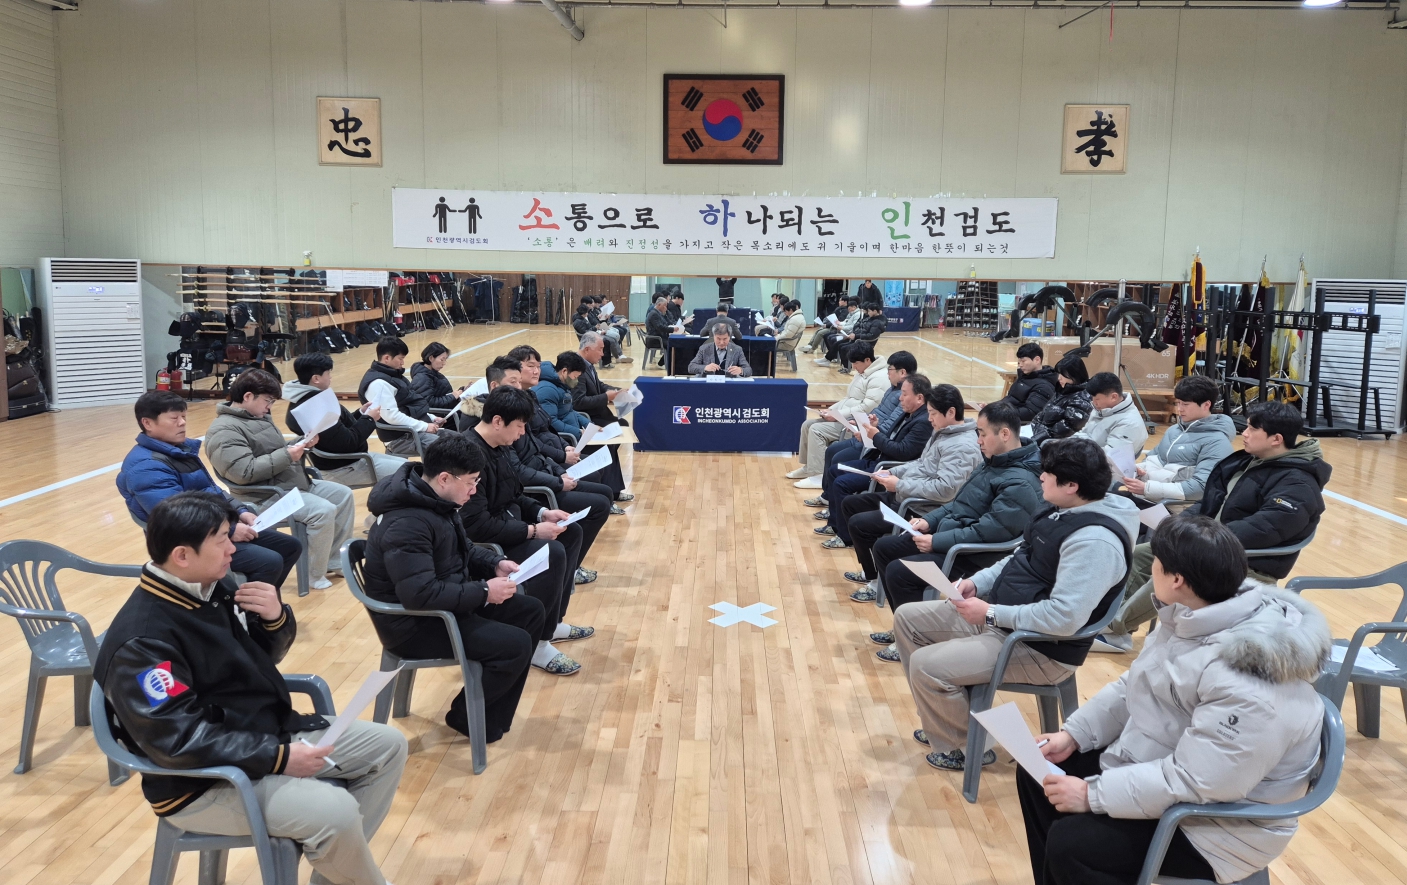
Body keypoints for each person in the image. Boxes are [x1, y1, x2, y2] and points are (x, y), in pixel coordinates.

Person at [93, 491, 407, 885]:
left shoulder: (208, 587)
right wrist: (277, 758)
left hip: (258, 734)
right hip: (201, 781)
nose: (233, 547)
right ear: (182, 555)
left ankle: (338, 876)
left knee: (388, 746)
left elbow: (256, 660)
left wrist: (275, 619)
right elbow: (177, 740)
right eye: (221, 539)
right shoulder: (142, 641)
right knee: (336, 813)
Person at [1021, 514, 1328, 885]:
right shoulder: (1192, 615)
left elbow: (1201, 781)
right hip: (1175, 767)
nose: (1149, 568)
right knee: (1037, 772)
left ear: (1177, 580)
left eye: (1155, 562)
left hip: (1221, 825)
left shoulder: (1249, 680)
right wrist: (1074, 735)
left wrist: (1093, 795)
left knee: (1074, 845)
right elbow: (1136, 685)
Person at [896, 437, 1137, 770]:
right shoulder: (1061, 508)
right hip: (1006, 620)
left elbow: (1064, 618)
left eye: (1048, 473)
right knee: (908, 619)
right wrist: (977, 583)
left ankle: (968, 746)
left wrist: (990, 614)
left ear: (1071, 486)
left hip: (1041, 647)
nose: (1040, 476)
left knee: (927, 666)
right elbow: (1019, 557)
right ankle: (948, 721)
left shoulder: (1095, 542)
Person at [1100, 400, 1330, 652]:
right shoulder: (1249, 462)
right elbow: (1210, 502)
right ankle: (1114, 624)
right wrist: (1179, 525)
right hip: (1210, 543)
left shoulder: (1298, 483)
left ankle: (1115, 628)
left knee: (1173, 567)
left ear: (1276, 439)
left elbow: (1267, 528)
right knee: (1140, 554)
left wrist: (1202, 538)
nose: (1245, 433)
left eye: (1253, 429)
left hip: (1246, 560)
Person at [362, 435, 546, 744]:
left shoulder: (434, 500)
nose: (474, 491)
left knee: (530, 611)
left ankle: (487, 713)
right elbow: (420, 594)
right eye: (471, 482)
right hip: (415, 625)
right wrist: (484, 592)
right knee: (514, 645)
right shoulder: (407, 523)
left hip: (445, 604)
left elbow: (464, 548)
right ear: (445, 478)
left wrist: (495, 564)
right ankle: (465, 715)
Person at [858, 403, 1043, 618]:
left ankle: (915, 631)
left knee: (900, 573)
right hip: (953, 537)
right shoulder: (994, 462)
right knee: (884, 548)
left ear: (1004, 434)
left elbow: (988, 532)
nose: (979, 441)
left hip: (973, 554)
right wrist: (929, 521)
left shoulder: (1020, 482)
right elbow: (958, 504)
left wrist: (936, 541)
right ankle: (906, 627)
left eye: (983, 434)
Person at [461, 386, 594, 676]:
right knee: (552, 552)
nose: (522, 433)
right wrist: (533, 531)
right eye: (519, 426)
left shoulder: (501, 446)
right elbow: (475, 525)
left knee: (570, 532)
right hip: (487, 541)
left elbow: (515, 493)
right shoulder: (469, 456)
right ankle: (539, 644)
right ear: (498, 421)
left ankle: (553, 622)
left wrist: (542, 513)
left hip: (512, 523)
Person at [118, 391, 302, 591]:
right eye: (174, 418)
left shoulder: (178, 451)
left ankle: (258, 603)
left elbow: (211, 490)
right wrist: (231, 530)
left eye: (184, 416)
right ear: (147, 423)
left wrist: (240, 511)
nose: (182, 423)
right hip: (187, 544)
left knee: (290, 546)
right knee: (269, 561)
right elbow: (178, 518)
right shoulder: (146, 466)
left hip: (211, 530)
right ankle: (240, 607)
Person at [205, 369, 356, 591]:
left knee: (343, 495)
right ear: (248, 396)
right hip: (262, 495)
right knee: (322, 511)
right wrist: (288, 455)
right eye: (268, 401)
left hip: (287, 483)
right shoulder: (224, 430)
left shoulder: (258, 417)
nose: (270, 407)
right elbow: (243, 473)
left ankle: (333, 561)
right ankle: (313, 573)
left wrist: (300, 443)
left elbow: (273, 452)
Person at [840, 383, 984, 600]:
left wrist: (899, 485)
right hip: (909, 495)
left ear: (951, 412)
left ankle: (877, 582)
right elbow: (921, 464)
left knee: (862, 525)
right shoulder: (943, 432)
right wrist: (892, 472)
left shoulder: (962, 446)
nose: (929, 419)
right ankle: (873, 574)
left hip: (922, 508)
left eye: (933, 413)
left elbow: (945, 490)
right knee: (851, 505)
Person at [486, 348, 615, 581]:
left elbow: (539, 441)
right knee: (596, 505)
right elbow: (517, 473)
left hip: (542, 474)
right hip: (537, 489)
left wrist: (560, 461)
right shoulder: (499, 429)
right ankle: (570, 570)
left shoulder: (526, 401)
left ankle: (571, 569)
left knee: (601, 488)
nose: (535, 371)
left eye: (537, 366)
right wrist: (557, 479)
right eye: (513, 381)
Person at [817, 375, 935, 549]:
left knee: (842, 483)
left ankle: (845, 537)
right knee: (834, 470)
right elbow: (891, 439)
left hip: (889, 468)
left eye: (904, 394)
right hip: (879, 460)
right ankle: (834, 524)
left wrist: (876, 435)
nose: (900, 398)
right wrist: (875, 429)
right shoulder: (908, 414)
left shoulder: (923, 422)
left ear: (919, 398)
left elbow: (903, 452)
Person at [807, 351, 916, 504]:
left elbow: (892, 425)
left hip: (874, 441)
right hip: (868, 434)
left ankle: (832, 499)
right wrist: (861, 421)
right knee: (832, 450)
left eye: (890, 370)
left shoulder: (905, 398)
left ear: (902, 372)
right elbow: (878, 412)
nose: (887, 373)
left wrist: (869, 431)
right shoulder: (891, 389)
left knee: (838, 458)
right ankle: (827, 497)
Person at [283, 352, 406, 486]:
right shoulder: (313, 406)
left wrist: (361, 413)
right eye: (328, 373)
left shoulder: (303, 398)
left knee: (408, 466)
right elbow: (349, 442)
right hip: (343, 468)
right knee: (411, 473)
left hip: (354, 459)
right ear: (316, 378)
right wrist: (369, 419)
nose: (330, 377)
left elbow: (338, 429)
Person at [1117, 375, 1234, 511]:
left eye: (1185, 404)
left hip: (1175, 506)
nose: (1180, 409)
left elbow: (1201, 487)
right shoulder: (1174, 430)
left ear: (1206, 405)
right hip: (1148, 496)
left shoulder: (1217, 442)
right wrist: (1137, 470)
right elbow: (1153, 459)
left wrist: (1147, 488)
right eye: (1178, 403)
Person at [787, 341, 889, 488]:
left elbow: (867, 407)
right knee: (807, 424)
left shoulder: (879, 378)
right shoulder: (863, 372)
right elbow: (848, 399)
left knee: (817, 430)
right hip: (845, 417)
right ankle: (810, 467)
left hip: (858, 424)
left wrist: (837, 415)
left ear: (867, 360)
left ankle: (819, 476)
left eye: (856, 363)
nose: (853, 366)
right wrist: (831, 410)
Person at [359, 336, 448, 456]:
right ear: (387, 358)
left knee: (460, 441)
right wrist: (424, 426)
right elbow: (392, 416)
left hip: (415, 430)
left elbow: (411, 405)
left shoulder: (394, 375)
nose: (402, 362)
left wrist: (431, 418)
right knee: (449, 449)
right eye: (400, 358)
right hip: (400, 438)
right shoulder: (378, 383)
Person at [1072, 371, 1148, 457]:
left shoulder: (1129, 423)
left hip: (1101, 462)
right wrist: (1065, 444)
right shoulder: (1103, 409)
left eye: (1097, 399)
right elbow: (1085, 434)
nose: (1093, 402)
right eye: (1092, 397)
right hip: (1089, 454)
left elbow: (1111, 457)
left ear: (1113, 397)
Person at [1029, 354, 1092, 444]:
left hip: (1055, 444)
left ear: (1075, 375)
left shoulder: (1082, 399)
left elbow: (1065, 429)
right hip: (1039, 436)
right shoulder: (1062, 391)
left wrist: (1035, 438)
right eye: (1059, 374)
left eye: (1063, 375)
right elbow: (1042, 414)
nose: (1059, 378)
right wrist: (1034, 428)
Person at [991, 342, 1059, 422]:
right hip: (1009, 418)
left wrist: (1000, 413)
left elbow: (1030, 413)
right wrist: (992, 408)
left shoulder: (1043, 386)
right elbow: (1011, 399)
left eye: (1023, 361)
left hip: (1017, 424)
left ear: (1037, 360)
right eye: (1019, 362)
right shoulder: (1025, 376)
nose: (1020, 365)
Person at [572, 332, 625, 427]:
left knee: (623, 423)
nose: (602, 354)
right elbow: (578, 402)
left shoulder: (587, 363)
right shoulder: (576, 368)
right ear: (587, 350)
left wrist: (618, 391)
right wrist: (606, 397)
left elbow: (598, 385)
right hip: (588, 418)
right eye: (600, 349)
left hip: (598, 413)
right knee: (622, 426)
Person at [535, 351, 592, 439]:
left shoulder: (562, 386)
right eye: (575, 377)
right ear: (564, 371)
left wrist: (590, 426)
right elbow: (551, 422)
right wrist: (578, 432)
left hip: (574, 435)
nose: (576, 380)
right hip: (567, 439)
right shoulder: (547, 390)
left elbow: (569, 411)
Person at [833, 304, 889, 373]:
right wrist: (853, 333)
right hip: (857, 338)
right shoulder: (868, 318)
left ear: (875, 311)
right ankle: (846, 366)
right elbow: (859, 326)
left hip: (865, 342)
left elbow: (871, 336)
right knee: (841, 346)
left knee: (845, 348)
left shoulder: (877, 323)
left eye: (869, 311)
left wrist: (856, 336)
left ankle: (849, 367)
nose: (868, 313)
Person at [410, 341, 464, 410]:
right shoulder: (422, 378)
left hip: (448, 410)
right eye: (442, 360)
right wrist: (452, 397)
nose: (444, 363)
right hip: (441, 414)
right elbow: (428, 403)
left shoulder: (432, 373)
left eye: (445, 360)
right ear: (431, 358)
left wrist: (462, 391)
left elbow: (443, 394)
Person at [813, 297, 863, 365]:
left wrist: (842, 327)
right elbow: (846, 322)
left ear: (854, 307)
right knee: (827, 336)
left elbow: (852, 326)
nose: (848, 310)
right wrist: (839, 323)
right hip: (845, 332)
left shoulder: (857, 314)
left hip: (848, 333)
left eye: (849, 308)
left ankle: (831, 357)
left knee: (834, 339)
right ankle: (830, 357)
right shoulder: (851, 313)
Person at [689, 325, 753, 377]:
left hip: (729, 384)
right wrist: (705, 367)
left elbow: (749, 370)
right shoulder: (704, 349)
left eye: (725, 339)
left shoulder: (737, 349)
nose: (721, 342)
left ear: (729, 337)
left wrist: (741, 370)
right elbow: (691, 367)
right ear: (713, 336)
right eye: (718, 339)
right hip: (709, 384)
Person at [646, 294, 675, 368]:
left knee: (675, 342)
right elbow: (660, 327)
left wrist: (666, 314)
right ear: (659, 305)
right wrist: (673, 329)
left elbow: (666, 323)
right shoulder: (654, 314)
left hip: (660, 337)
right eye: (664, 306)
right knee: (674, 344)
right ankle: (662, 363)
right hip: (655, 339)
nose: (666, 308)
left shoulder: (659, 313)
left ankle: (664, 363)